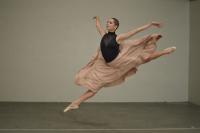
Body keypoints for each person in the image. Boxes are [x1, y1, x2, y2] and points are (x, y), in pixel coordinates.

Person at [63, 16, 176, 112]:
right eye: (107, 22)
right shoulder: (104, 35)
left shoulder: (118, 37)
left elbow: (135, 31)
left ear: (115, 26)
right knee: (96, 86)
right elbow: (99, 26)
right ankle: (76, 103)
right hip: (106, 66)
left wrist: (150, 24)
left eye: (110, 22)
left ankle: (164, 51)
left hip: (119, 60)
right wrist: (97, 18)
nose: (108, 23)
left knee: (143, 58)